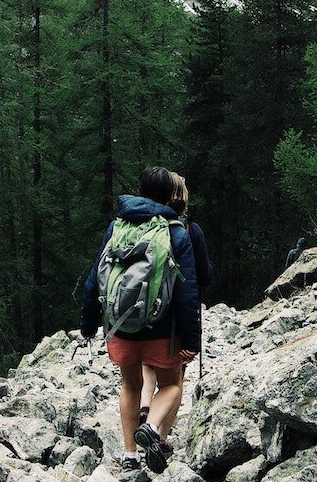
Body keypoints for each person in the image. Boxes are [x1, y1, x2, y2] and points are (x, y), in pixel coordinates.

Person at [80, 167, 201, 474]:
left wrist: (88, 324)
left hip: (120, 327)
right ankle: (152, 427)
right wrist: (192, 341)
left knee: (130, 386)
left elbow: (95, 278)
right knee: (172, 384)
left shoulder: (118, 226)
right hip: (163, 329)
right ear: (170, 194)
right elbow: (188, 292)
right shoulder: (175, 231)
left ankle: (130, 454)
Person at [139, 172, 213, 434]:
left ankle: (145, 406)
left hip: (141, 310)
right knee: (175, 379)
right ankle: (159, 436)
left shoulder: (142, 225)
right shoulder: (190, 230)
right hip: (172, 321)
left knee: (147, 366)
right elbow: (203, 277)